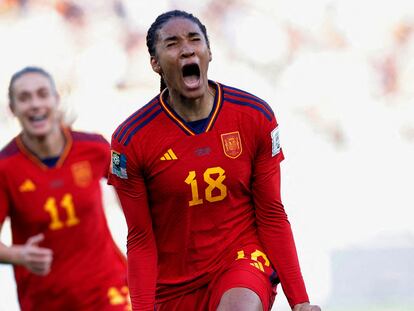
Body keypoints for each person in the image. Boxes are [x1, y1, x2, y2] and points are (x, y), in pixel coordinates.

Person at [108, 10, 321, 311]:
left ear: (209, 52)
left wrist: (300, 301)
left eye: (195, 40)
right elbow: (140, 239)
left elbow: (272, 213)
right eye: (172, 44)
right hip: (174, 285)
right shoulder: (132, 139)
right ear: (155, 64)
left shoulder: (253, 116)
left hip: (241, 261)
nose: (186, 49)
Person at [0, 66, 130, 311]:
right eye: (25, 98)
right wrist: (18, 256)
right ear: (13, 109)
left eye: (42, 94)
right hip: (45, 299)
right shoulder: (5, 168)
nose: (35, 104)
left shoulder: (96, 147)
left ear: (56, 100)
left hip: (108, 288)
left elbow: (134, 190)